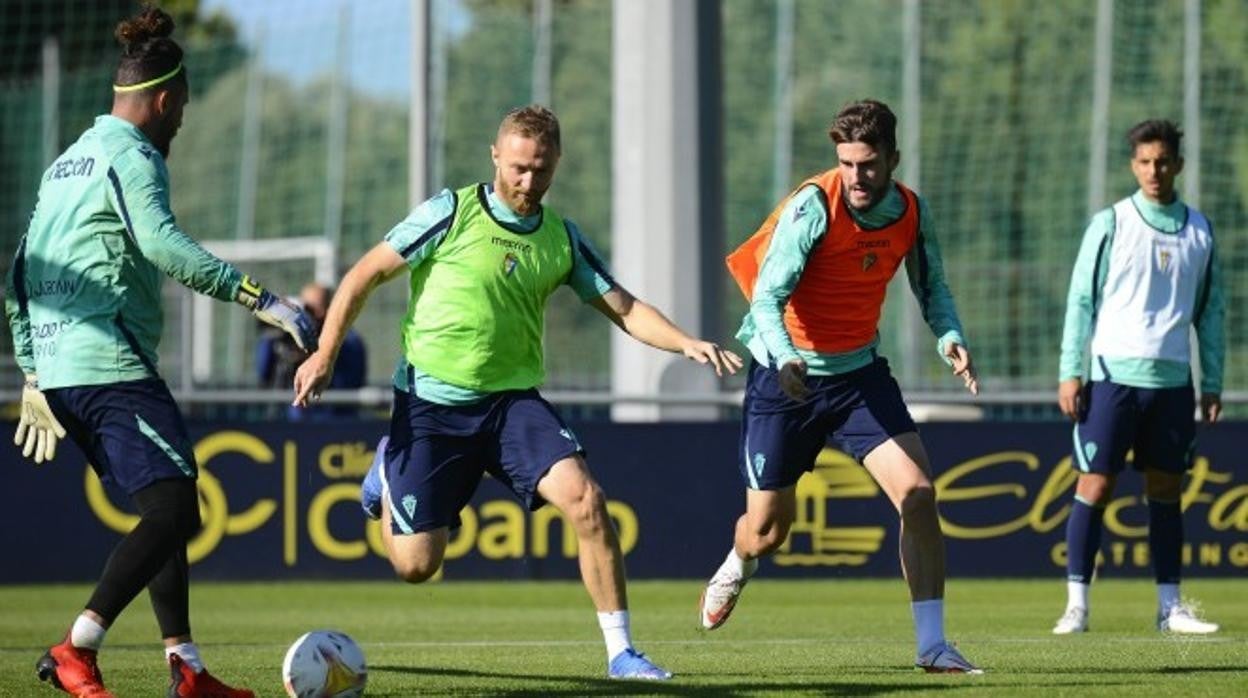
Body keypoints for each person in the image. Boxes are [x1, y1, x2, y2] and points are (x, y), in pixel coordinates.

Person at [292, 105, 742, 681]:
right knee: (416, 565)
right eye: (520, 168)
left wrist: (684, 342)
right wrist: (325, 353)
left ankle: (622, 654)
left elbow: (624, 307)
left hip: (511, 407)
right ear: (496, 156)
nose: (529, 183)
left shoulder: (560, 237)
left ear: (556, 165)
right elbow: (364, 275)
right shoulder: (450, 213)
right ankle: (386, 467)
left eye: (542, 171)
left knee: (588, 501)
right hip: (431, 408)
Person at [3, 8, 316, 698]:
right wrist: (263, 299)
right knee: (179, 509)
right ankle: (76, 648)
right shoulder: (132, 155)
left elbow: (17, 271)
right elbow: (164, 245)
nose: (178, 126)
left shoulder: (65, 164)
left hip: (63, 369)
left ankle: (189, 670)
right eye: (181, 113)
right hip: (107, 362)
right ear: (167, 100)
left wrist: (31, 366)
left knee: (165, 505)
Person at [701, 99, 982, 673]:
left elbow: (933, 287)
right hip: (786, 378)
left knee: (919, 494)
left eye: (868, 165)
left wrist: (948, 334)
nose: (856, 177)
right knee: (766, 531)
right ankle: (738, 563)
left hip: (857, 377)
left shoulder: (910, 212)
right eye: (847, 163)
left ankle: (932, 646)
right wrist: (784, 362)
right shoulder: (813, 207)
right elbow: (768, 299)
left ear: (893, 160)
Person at [1052, 119, 1223, 636]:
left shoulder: (1199, 230)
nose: (1155, 170)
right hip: (1110, 377)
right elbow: (1081, 300)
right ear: (1134, 165)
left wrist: (1212, 379)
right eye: (1145, 161)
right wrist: (1070, 371)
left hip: (1172, 381)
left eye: (1163, 161)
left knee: (1166, 491)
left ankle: (1170, 608)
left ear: (1178, 165)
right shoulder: (1111, 223)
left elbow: (1210, 312)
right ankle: (1076, 606)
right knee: (1095, 484)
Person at [257, 283, 366, 419]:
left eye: (313, 309)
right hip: (291, 419)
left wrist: (317, 354)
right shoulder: (280, 340)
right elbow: (263, 376)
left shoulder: (348, 340)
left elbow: (347, 386)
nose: (308, 316)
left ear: (329, 310)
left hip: (334, 420)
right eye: (305, 308)